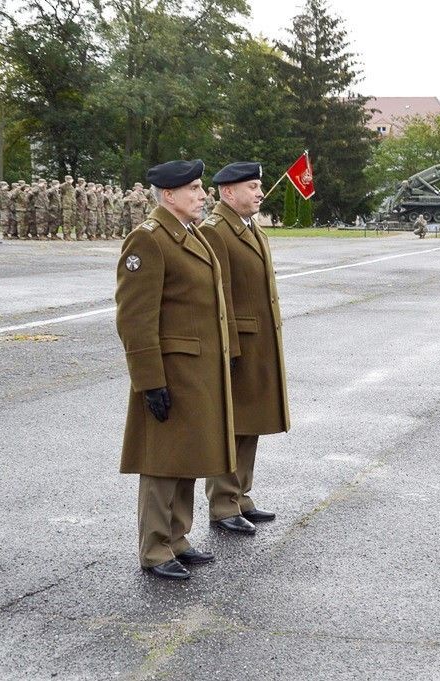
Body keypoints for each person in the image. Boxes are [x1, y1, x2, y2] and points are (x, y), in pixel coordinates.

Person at [114, 159, 236, 580]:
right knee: (162, 462)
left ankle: (177, 537)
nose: (203, 196)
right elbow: (135, 319)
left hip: (195, 370)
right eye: (196, 189)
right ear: (169, 194)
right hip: (168, 370)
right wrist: (149, 382)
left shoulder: (189, 234)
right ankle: (154, 548)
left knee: (187, 455)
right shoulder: (148, 240)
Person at [198, 162, 290, 534]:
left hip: (259, 342)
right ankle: (222, 503)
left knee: (250, 421)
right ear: (227, 192)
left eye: (259, 186)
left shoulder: (251, 228)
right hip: (237, 346)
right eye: (251, 187)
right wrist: (229, 350)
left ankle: (240, 494)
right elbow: (217, 298)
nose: (259, 193)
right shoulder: (216, 230)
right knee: (232, 424)